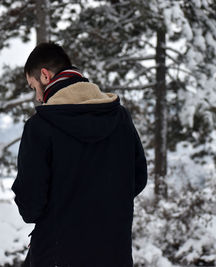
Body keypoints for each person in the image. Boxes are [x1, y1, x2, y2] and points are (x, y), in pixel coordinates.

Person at [11, 42, 147, 267]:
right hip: (114, 253)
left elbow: (30, 204)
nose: (37, 96)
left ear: (45, 75)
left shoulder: (40, 127)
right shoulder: (120, 118)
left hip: (57, 255)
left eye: (33, 86)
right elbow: (138, 179)